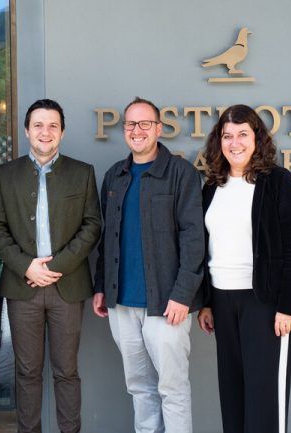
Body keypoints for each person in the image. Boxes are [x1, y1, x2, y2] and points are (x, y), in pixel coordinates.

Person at [0, 99, 101, 433]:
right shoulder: (5, 174)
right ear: (26, 131)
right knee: (27, 373)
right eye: (38, 125)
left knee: (67, 371)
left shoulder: (82, 173)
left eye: (53, 125)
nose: (45, 132)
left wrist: (58, 266)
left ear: (62, 132)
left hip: (67, 287)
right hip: (23, 288)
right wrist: (27, 267)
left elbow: (92, 225)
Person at [93, 97, 205, 433]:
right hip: (122, 305)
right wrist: (101, 287)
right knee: (139, 388)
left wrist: (183, 295)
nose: (137, 130)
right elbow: (107, 239)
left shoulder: (181, 173)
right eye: (130, 124)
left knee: (172, 388)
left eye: (145, 124)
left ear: (158, 128)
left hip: (166, 305)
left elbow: (194, 238)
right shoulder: (115, 176)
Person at [196, 104, 291, 433]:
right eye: (227, 136)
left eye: (243, 134)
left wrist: (288, 307)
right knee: (232, 392)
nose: (235, 143)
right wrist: (205, 301)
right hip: (221, 300)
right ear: (219, 141)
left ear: (257, 138)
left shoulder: (277, 181)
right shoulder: (212, 186)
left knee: (264, 396)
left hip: (265, 303)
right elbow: (206, 246)